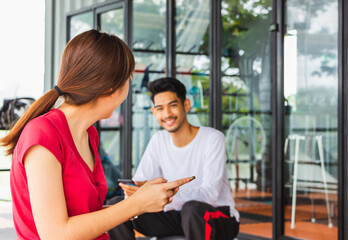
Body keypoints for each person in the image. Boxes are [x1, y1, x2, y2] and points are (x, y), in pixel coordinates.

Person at [0, 30, 192, 240]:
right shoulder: (42, 134)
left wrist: (142, 201)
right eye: (128, 78)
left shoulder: (88, 133)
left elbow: (85, 217)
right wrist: (135, 204)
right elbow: (55, 234)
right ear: (110, 87)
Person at [110, 77, 240, 240]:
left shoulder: (212, 138)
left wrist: (165, 195)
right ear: (154, 112)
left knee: (191, 209)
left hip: (217, 216)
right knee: (116, 205)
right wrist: (135, 192)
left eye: (172, 105)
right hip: (174, 216)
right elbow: (140, 181)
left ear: (186, 105)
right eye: (160, 108)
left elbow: (210, 194)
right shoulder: (159, 140)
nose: (167, 114)